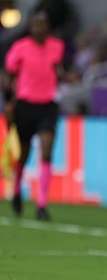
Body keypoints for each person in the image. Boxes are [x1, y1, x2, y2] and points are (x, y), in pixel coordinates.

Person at [3, 12, 65, 220]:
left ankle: (42, 204)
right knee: (24, 153)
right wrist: (9, 103)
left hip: (47, 105)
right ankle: (18, 190)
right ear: (30, 28)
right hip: (25, 106)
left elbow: (59, 70)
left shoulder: (57, 47)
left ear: (47, 28)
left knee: (46, 151)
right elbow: (10, 77)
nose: (39, 29)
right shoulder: (20, 48)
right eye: (35, 25)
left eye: (43, 25)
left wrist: (64, 75)